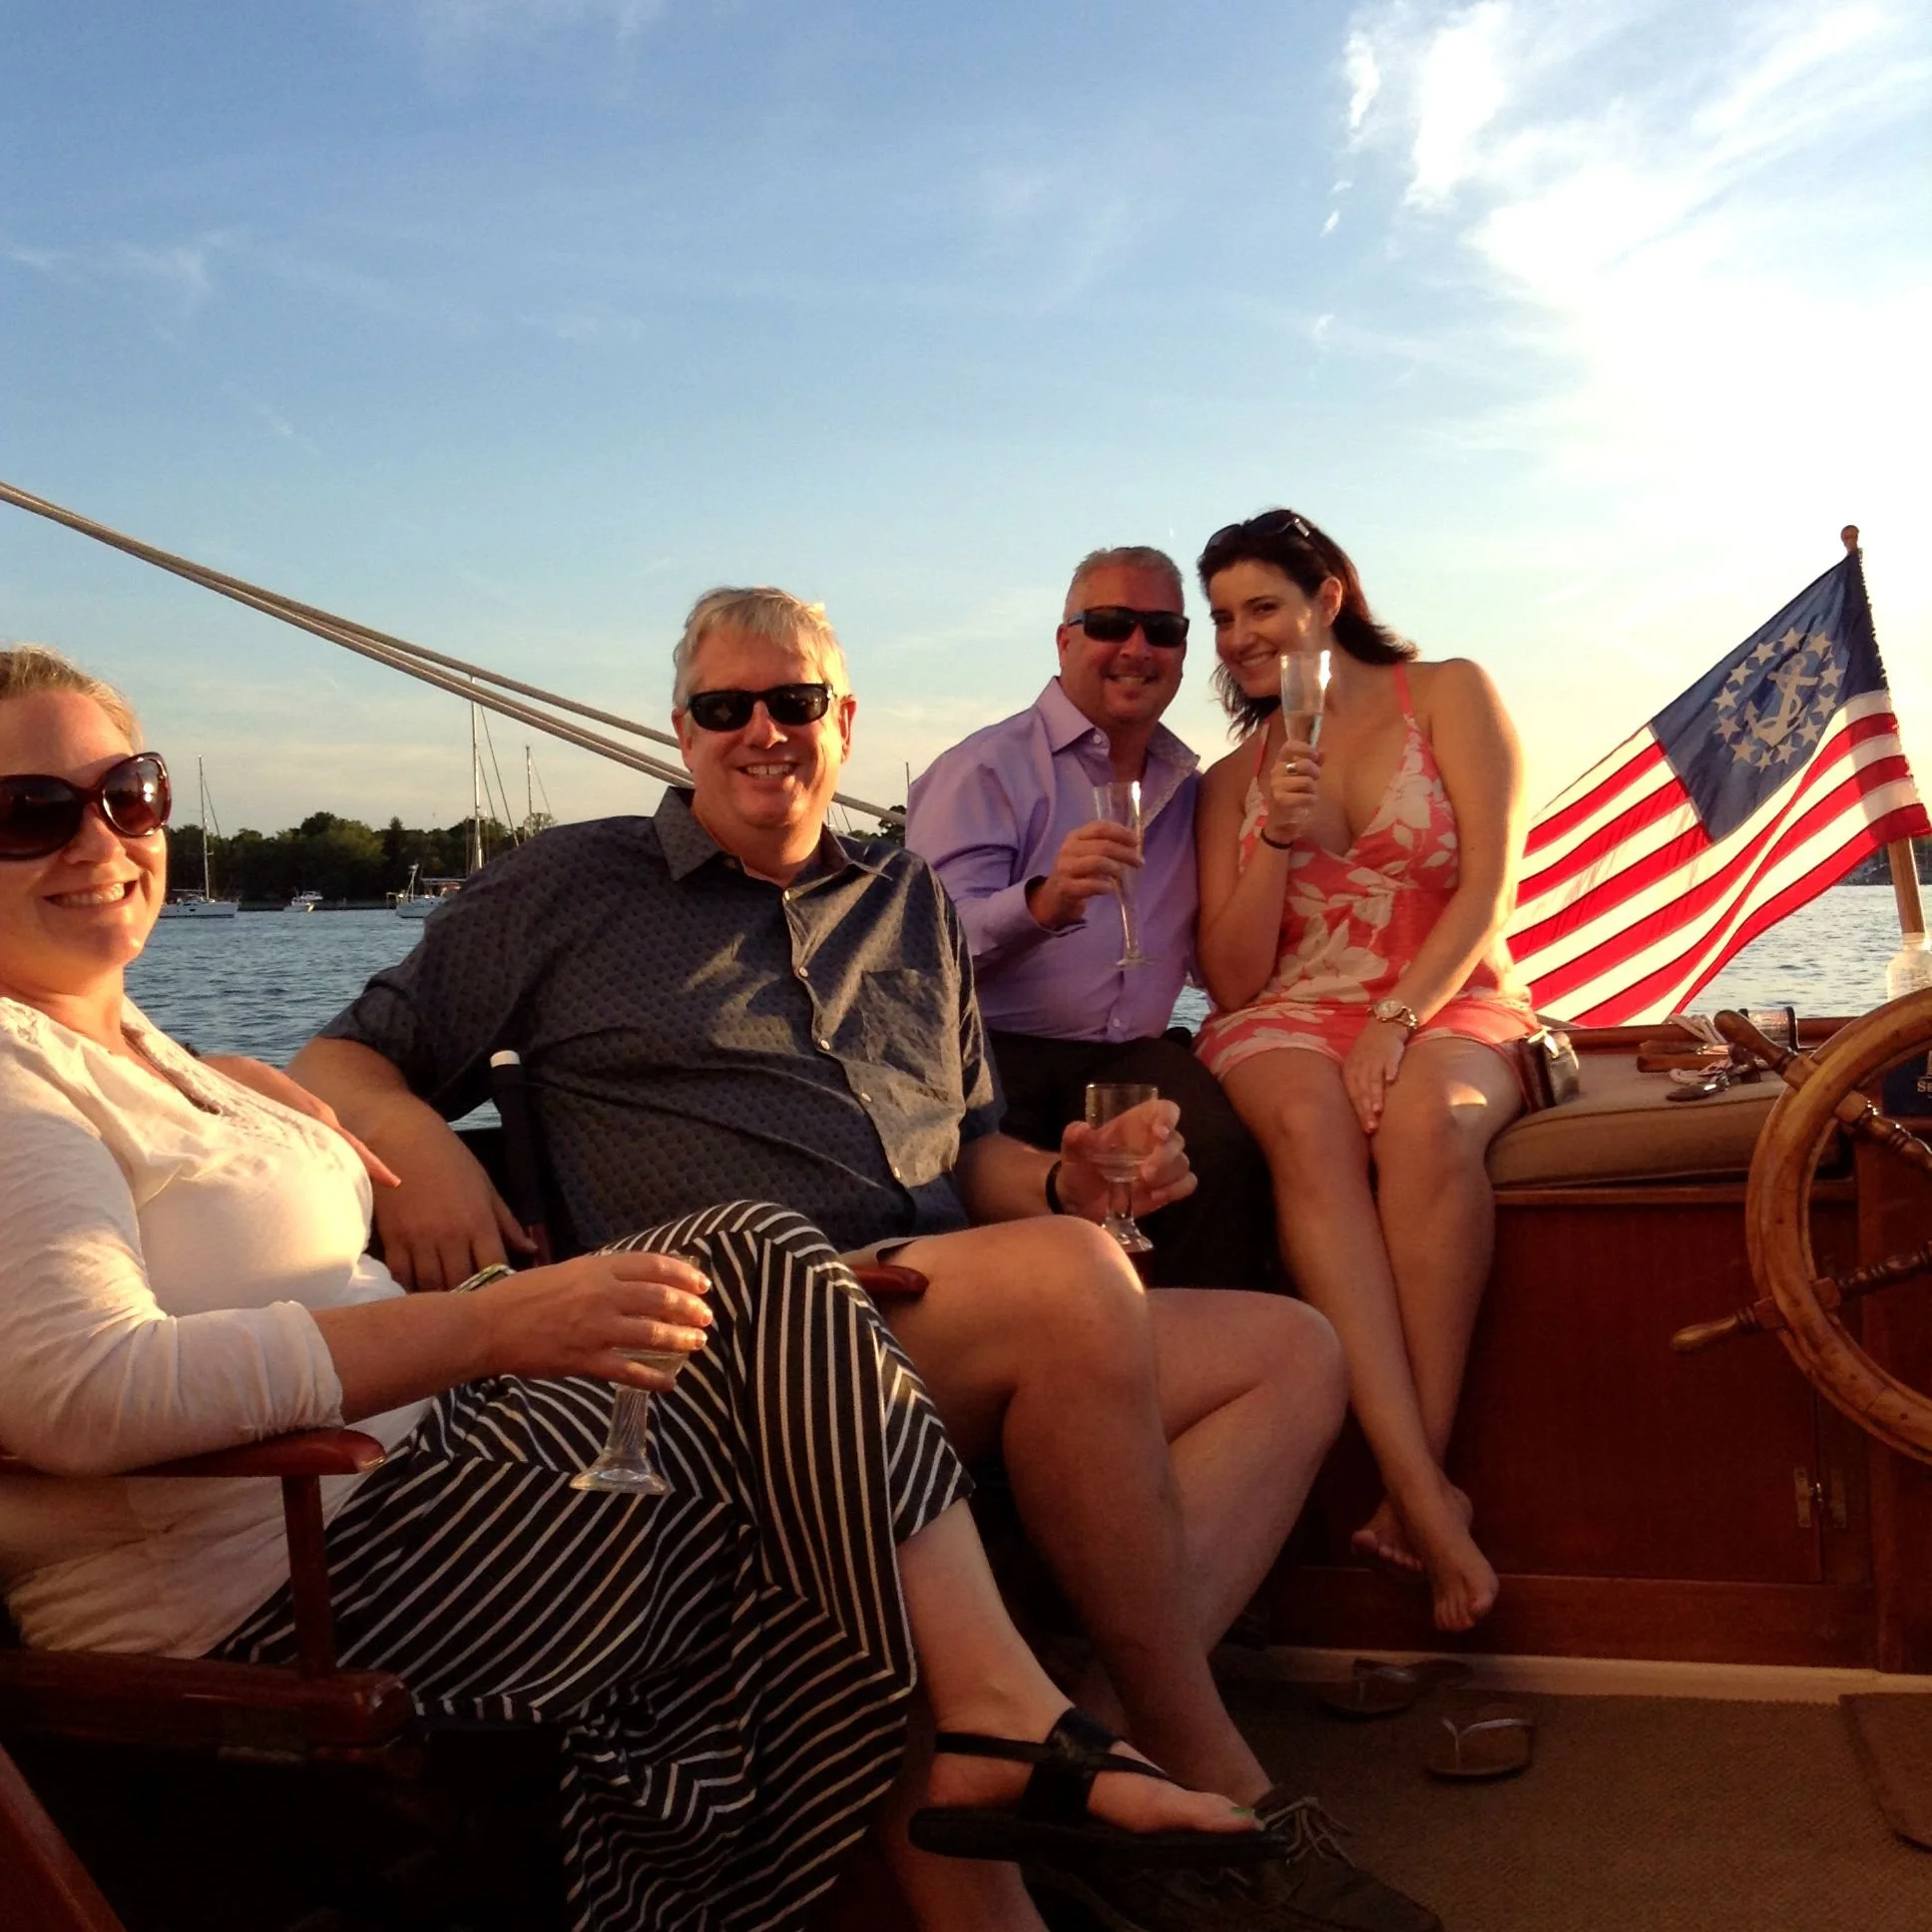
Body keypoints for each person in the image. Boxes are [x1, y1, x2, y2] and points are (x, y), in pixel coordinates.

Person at [0, 644, 1282, 1932]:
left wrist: (297, 1119)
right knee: (813, 1426)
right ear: (683, 728)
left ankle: (1007, 1753)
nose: (99, 838)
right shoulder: (14, 1075)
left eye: (129, 793)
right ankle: (1024, 1774)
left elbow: (960, 1142)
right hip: (298, 1577)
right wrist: (487, 1317)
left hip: (436, 1471)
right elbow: (80, 1395)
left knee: (764, 1274)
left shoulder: (158, 1057)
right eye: (28, 813)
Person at [289, 587, 1440, 1932]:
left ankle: (1075, 1741)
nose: (761, 732)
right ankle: (1215, 1782)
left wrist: (1069, 1175)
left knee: (1288, 1353)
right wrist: (419, 1151)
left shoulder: (906, 904)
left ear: (843, 721)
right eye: (727, 708)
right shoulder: (562, 890)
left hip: (934, 1296)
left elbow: (964, 1159)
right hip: (727, 1339)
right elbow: (340, 1057)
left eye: (793, 704)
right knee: (1074, 1276)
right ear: (683, 730)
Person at [1192, 510, 1538, 1635]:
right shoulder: (1229, 777)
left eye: (1261, 607)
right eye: (1222, 617)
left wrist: (1399, 1015)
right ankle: (1434, 1509)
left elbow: (1490, 884)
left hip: (1446, 990)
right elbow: (1236, 980)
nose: (1239, 635)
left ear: (1327, 598)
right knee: (1307, 1122)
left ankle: (1410, 1482)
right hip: (1292, 1011)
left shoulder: (1444, 692)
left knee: (1430, 1120)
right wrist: (1273, 840)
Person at [905, 545, 1274, 1290]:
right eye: (1110, 623)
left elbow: (1225, 947)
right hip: (993, 1058)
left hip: (1127, 1059)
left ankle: (1204, 1362)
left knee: (1225, 1157)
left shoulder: (1194, 789)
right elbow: (917, 959)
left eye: (1162, 629)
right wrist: (1043, 904)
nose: (1136, 648)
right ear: (1065, 639)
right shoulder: (986, 769)